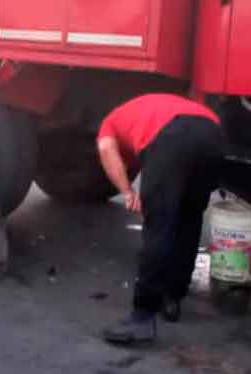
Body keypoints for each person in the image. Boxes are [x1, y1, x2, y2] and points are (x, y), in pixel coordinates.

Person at [96, 93, 225, 345]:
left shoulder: (109, 124)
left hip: (172, 135)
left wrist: (127, 191)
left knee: (159, 225)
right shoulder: (145, 107)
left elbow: (107, 151)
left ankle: (142, 316)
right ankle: (172, 299)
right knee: (189, 219)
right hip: (212, 134)